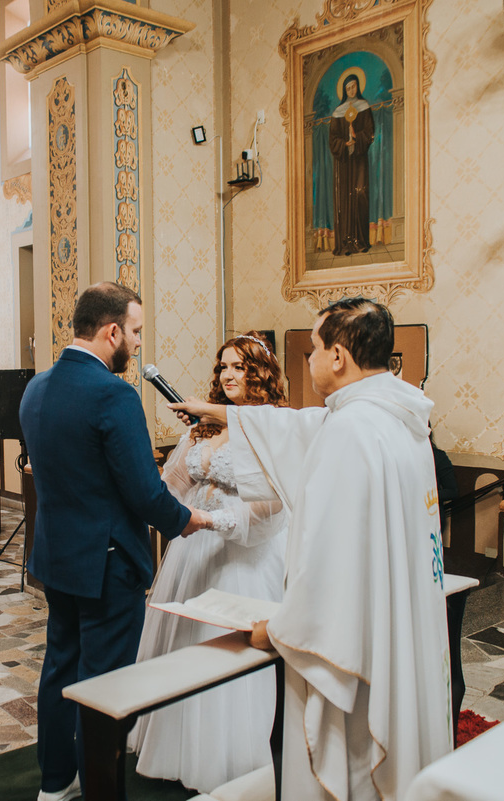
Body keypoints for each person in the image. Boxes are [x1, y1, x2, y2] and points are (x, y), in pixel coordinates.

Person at [173, 298, 452, 801]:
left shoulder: (349, 432)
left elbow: (328, 561)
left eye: (316, 348)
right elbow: (294, 427)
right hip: (399, 615)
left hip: (358, 642)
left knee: (354, 757)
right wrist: (212, 411)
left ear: (338, 356)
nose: (311, 359)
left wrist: (278, 630)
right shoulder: (398, 417)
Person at [19, 282, 209, 801]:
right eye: (136, 332)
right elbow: (144, 493)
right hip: (107, 565)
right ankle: (102, 791)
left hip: (55, 557)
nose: (139, 343)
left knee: (60, 667)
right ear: (111, 332)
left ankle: (55, 783)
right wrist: (185, 519)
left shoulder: (36, 388)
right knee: (105, 684)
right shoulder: (113, 395)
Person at [129, 332, 290, 793]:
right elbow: (174, 484)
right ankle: (173, 744)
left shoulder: (273, 426)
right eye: (223, 367)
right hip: (192, 550)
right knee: (184, 640)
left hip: (244, 552)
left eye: (240, 366)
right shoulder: (202, 427)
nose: (229, 374)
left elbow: (272, 506)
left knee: (229, 646)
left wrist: (209, 520)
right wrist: (149, 498)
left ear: (261, 373)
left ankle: (231, 756)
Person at [330, 73, 374, 256]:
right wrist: (344, 144)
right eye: (348, 88)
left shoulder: (364, 107)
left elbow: (370, 132)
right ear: (344, 90)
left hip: (359, 158)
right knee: (344, 199)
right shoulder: (338, 112)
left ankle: (361, 241)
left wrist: (357, 137)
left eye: (354, 86)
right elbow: (333, 139)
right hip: (343, 163)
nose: (351, 90)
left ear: (358, 87)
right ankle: (345, 243)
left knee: (360, 193)